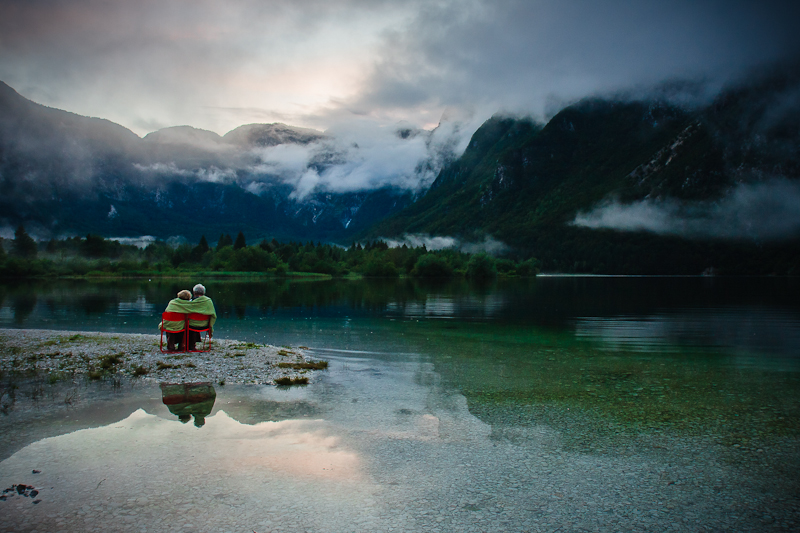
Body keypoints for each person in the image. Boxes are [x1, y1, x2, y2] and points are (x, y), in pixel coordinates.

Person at [186, 283, 217, 350]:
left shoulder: (191, 302)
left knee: (190, 322)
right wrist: (210, 325)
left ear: (194, 292)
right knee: (196, 322)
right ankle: (192, 345)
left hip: (191, 325)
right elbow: (213, 315)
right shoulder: (208, 301)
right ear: (204, 292)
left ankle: (188, 345)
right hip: (205, 324)